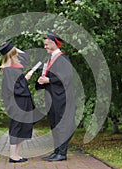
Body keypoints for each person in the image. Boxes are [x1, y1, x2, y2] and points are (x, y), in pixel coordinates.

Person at [36, 33, 76, 162]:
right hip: (52, 98)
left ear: (54, 43)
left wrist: (49, 79)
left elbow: (67, 77)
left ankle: (62, 153)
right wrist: (42, 81)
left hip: (61, 99)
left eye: (47, 44)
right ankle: (57, 151)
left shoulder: (62, 58)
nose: (45, 46)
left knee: (62, 124)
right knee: (54, 124)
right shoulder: (50, 59)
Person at [0, 41, 34, 163]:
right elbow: (13, 88)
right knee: (17, 127)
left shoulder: (15, 66)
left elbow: (26, 57)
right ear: (12, 54)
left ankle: (17, 154)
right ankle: (12, 155)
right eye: (15, 52)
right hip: (16, 103)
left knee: (24, 126)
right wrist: (25, 79)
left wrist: (14, 48)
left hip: (23, 100)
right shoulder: (8, 69)